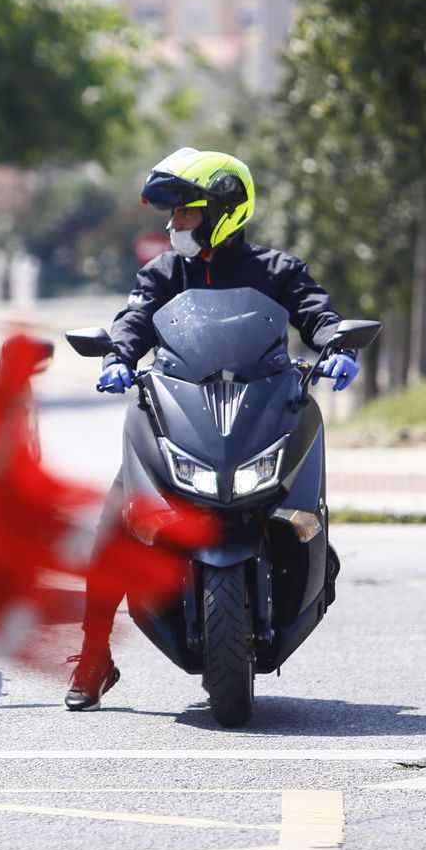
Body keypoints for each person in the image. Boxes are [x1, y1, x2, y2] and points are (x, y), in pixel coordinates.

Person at [66, 147, 357, 710]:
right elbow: (134, 318)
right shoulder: (162, 273)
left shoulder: (276, 271)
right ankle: (94, 655)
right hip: (183, 419)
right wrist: (118, 357)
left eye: (185, 214)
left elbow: (315, 310)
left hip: (258, 414)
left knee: (298, 498)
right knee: (113, 523)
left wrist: (335, 344)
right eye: (171, 215)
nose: (173, 226)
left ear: (223, 210)